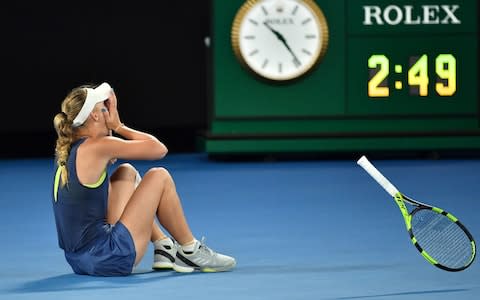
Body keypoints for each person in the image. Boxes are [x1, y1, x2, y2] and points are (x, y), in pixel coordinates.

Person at [52, 82, 236, 276]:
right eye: (104, 109)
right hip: (111, 258)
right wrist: (118, 126)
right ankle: (190, 250)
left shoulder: (68, 148)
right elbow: (159, 149)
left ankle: (163, 246)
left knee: (126, 172)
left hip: (80, 262)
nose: (109, 113)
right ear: (95, 116)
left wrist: (107, 133)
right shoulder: (99, 146)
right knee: (159, 176)